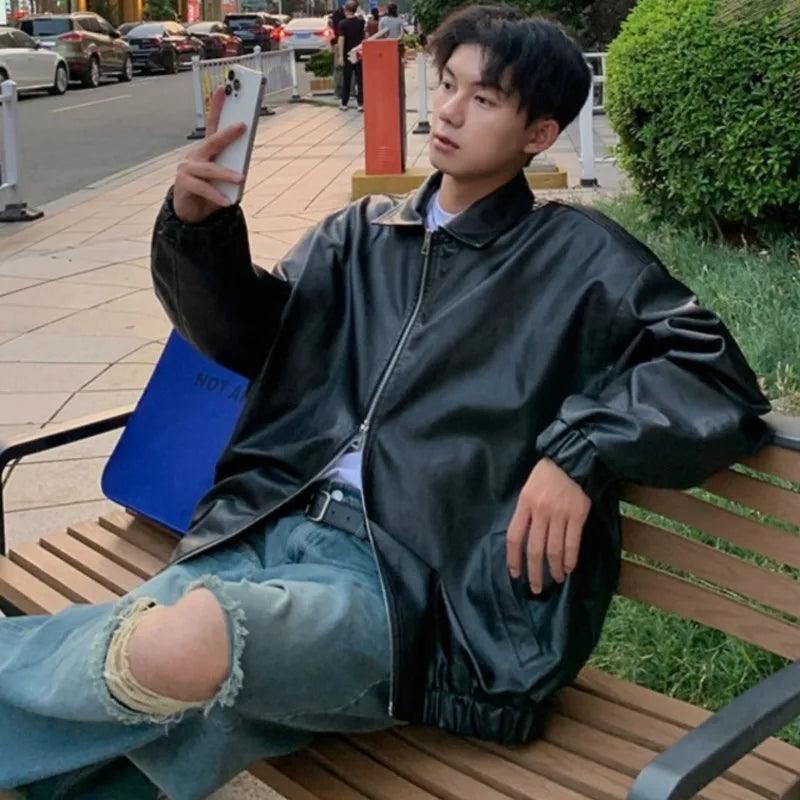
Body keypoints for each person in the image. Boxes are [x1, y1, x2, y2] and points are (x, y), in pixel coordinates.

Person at [0, 5, 771, 799]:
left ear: (539, 134)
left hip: (408, 593)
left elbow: (714, 374)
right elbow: (249, 339)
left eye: (484, 98)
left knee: (181, 644)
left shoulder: (580, 261)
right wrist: (200, 234)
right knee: (168, 724)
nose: (449, 110)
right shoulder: (358, 236)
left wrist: (580, 453)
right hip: (268, 524)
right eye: (447, 83)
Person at [337, 0, 365, 111]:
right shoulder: (361, 22)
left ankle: (344, 103)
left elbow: (341, 39)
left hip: (347, 55)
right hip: (358, 54)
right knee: (360, 80)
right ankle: (360, 104)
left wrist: (340, 56)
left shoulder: (342, 24)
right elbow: (364, 37)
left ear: (346, 10)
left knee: (347, 80)